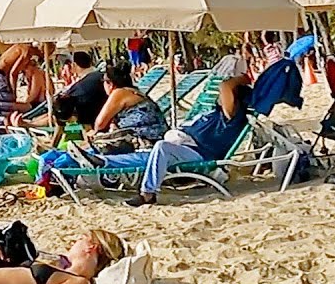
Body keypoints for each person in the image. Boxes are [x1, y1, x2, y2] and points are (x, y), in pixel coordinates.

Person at [73, 58, 250, 207]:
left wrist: (241, 79)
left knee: (161, 148)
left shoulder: (231, 117)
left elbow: (225, 86)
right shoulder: (215, 113)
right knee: (149, 156)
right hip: (183, 147)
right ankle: (103, 162)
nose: (219, 96)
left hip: (199, 153)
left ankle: (147, 194)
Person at [15, 52, 107, 149]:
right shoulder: (75, 95)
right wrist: (52, 147)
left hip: (97, 103)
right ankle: (30, 124)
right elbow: (61, 125)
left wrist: (85, 146)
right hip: (80, 103)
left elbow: (88, 131)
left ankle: (29, 124)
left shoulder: (82, 101)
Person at [86, 62, 167, 153]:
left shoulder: (119, 93)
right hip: (155, 138)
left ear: (110, 84)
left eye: (103, 81)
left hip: (145, 143)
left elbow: (100, 124)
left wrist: (93, 132)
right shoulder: (134, 92)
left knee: (91, 150)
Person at [0, 43, 42, 120]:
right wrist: (13, 92)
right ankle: (3, 122)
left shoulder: (19, 46)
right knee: (6, 103)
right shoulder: (26, 52)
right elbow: (13, 73)